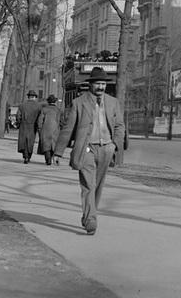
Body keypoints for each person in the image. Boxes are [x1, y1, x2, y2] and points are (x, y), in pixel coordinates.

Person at [53, 68, 124, 235]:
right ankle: (91, 219)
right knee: (88, 184)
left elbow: (120, 126)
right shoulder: (79, 103)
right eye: (97, 83)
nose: (101, 87)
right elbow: (68, 128)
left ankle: (88, 216)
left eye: (103, 84)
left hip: (107, 148)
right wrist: (58, 152)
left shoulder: (113, 102)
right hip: (86, 149)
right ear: (90, 84)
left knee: (98, 185)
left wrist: (115, 145)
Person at [16, 90, 43, 164]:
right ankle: (28, 156)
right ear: (35, 97)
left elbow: (18, 116)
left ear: (28, 97)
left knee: (23, 141)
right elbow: (40, 118)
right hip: (33, 126)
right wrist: (38, 126)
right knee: (30, 142)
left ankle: (25, 156)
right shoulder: (38, 106)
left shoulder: (22, 105)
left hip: (23, 125)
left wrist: (18, 123)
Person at [36, 94, 62, 166]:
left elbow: (40, 121)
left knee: (46, 145)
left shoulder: (44, 109)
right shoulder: (58, 110)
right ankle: (51, 158)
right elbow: (60, 121)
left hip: (45, 129)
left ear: (48, 101)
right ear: (55, 102)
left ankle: (48, 160)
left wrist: (39, 129)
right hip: (55, 130)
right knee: (53, 145)